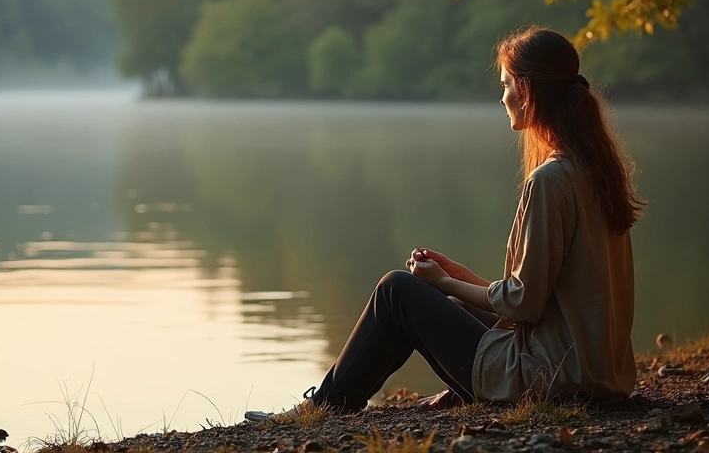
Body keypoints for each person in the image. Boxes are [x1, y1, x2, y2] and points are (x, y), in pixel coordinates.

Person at [247, 27, 644, 420]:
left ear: (524, 90)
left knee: (396, 291)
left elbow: (524, 303)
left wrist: (442, 282)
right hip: (597, 374)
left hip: (554, 380)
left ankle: (322, 408)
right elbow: (541, 298)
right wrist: (459, 277)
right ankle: (344, 400)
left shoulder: (549, 180)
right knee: (448, 303)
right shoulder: (594, 170)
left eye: (505, 84)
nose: (502, 97)